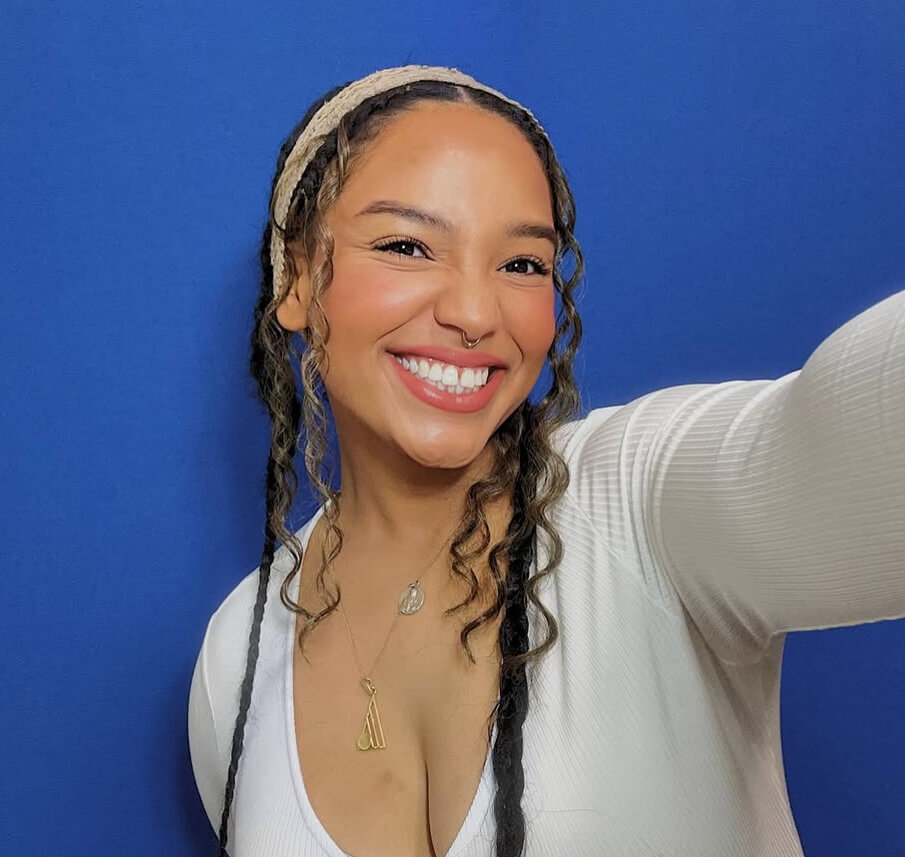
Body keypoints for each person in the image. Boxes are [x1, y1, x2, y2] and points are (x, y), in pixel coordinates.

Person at [187, 65, 905, 857]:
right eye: (406, 246)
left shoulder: (639, 502)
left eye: (523, 264)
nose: (472, 311)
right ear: (293, 279)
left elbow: (842, 428)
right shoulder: (237, 657)